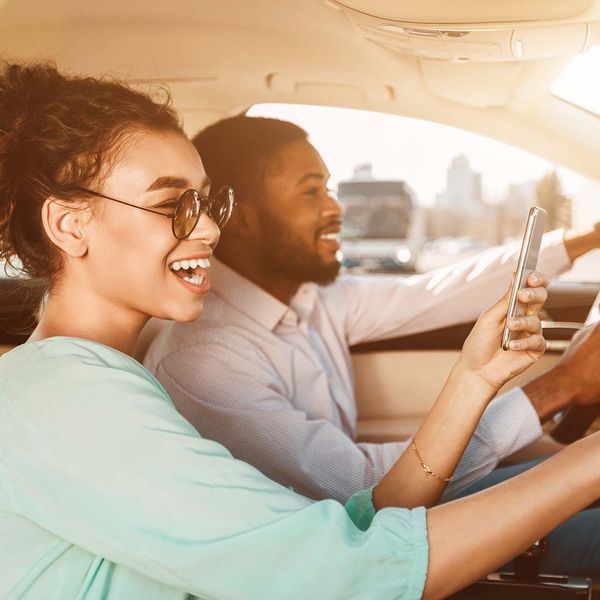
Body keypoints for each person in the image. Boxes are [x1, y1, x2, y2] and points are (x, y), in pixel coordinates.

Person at [0, 62, 597, 600]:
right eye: (173, 204)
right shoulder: (67, 397)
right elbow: (345, 573)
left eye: (209, 204)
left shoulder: (92, 382)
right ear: (70, 226)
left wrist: (473, 378)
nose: (208, 230)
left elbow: (363, 520)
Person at [145, 115, 600, 504]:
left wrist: (589, 238)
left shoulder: (313, 298)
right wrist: (559, 387)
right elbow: (366, 490)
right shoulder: (203, 362)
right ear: (238, 215)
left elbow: (439, 292)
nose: (336, 209)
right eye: (311, 193)